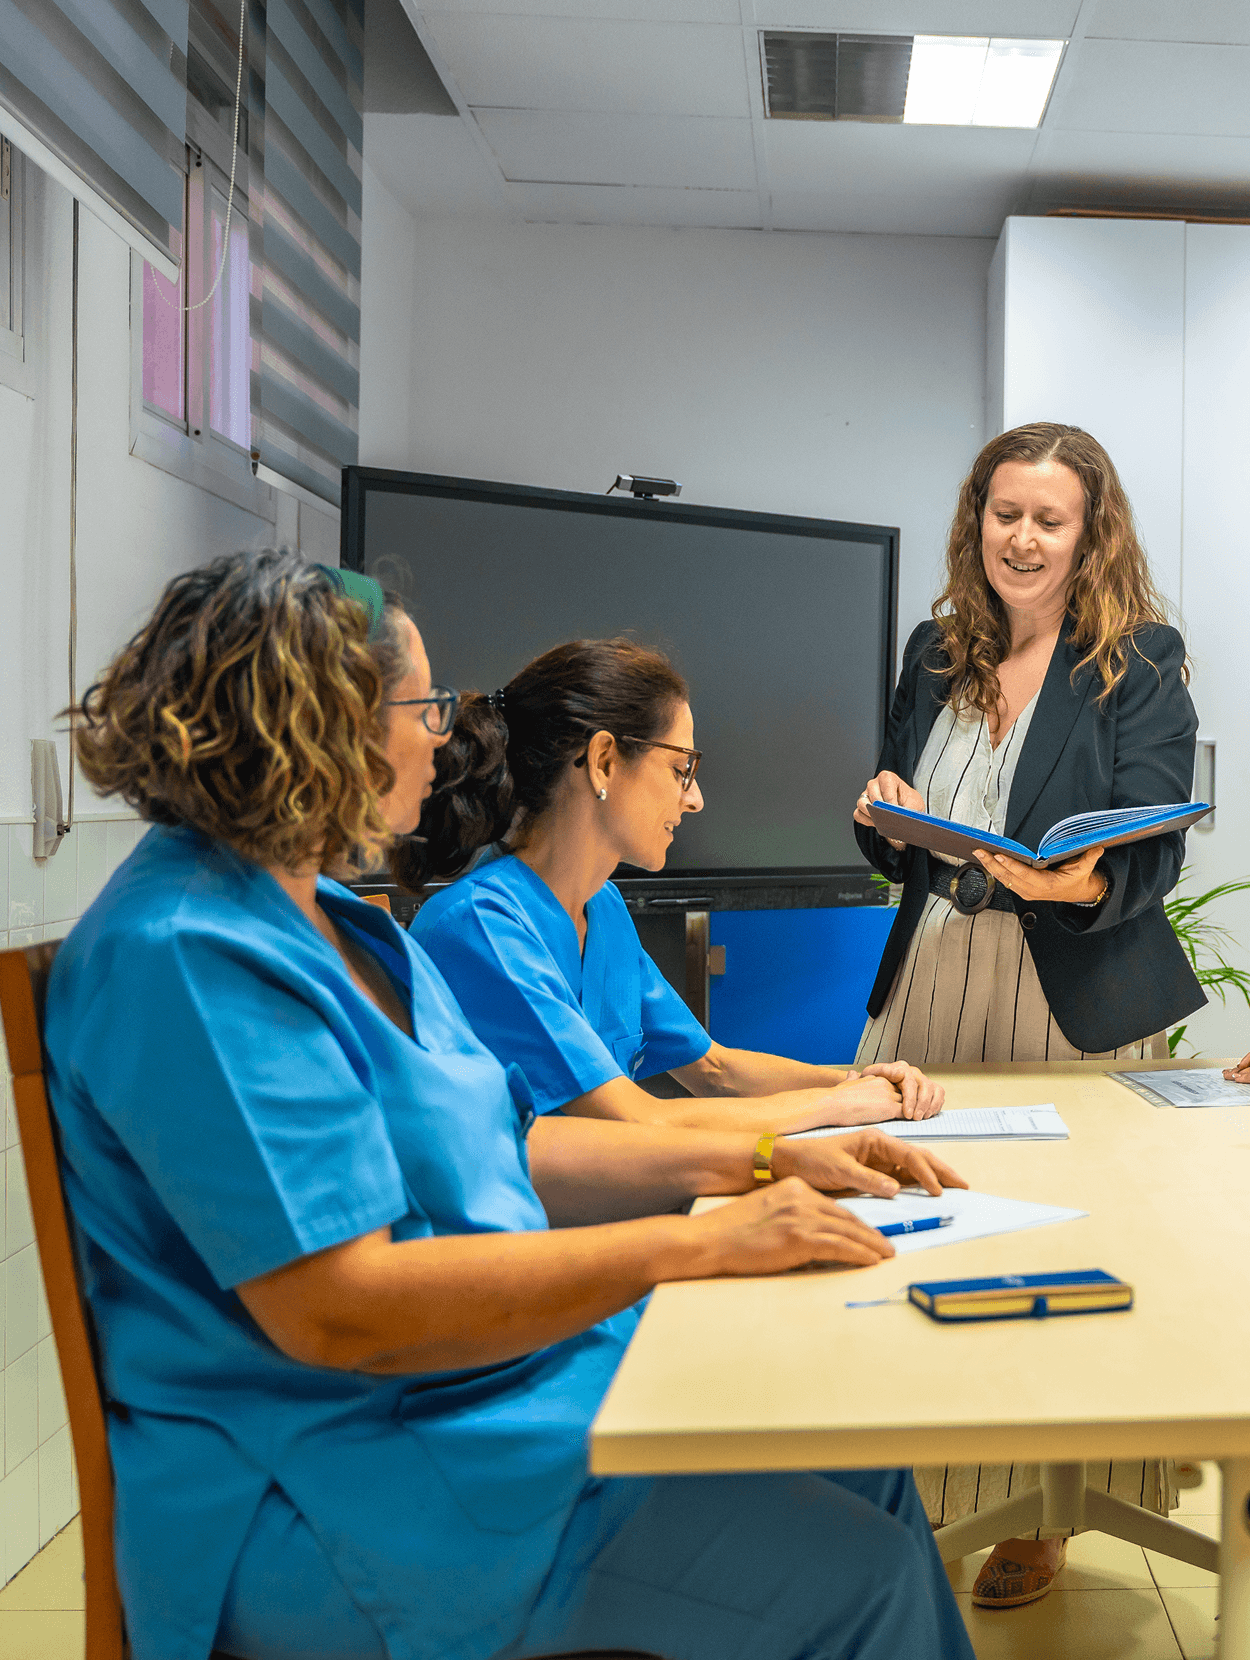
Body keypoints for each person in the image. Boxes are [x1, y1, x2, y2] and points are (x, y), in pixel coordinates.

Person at [44, 550, 976, 1660]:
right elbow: (340, 1305)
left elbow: (518, 1141)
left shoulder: (334, 916)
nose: (444, 735)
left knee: (864, 1458)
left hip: (480, 1395)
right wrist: (693, 1248)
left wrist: (765, 1160)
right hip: (350, 1482)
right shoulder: (188, 953)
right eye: (422, 705)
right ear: (323, 722)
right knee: (860, 1582)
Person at [852, 422, 1204, 1608]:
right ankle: (919, 1490)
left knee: (1056, 1255)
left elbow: (1152, 835)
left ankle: (1044, 1514)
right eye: (1003, 512)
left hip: (1072, 988)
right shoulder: (932, 648)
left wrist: (1084, 879)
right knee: (918, 1230)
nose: (1021, 536)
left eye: (1047, 518)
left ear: (1086, 533)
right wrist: (883, 807)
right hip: (935, 975)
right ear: (976, 519)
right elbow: (892, 815)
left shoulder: (1138, 660)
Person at [405, 637, 943, 1135]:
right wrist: (836, 1108)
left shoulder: (603, 908)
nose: (695, 799)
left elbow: (714, 1068)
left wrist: (859, 1081)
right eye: (681, 768)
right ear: (604, 761)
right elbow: (631, 1122)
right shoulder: (479, 926)